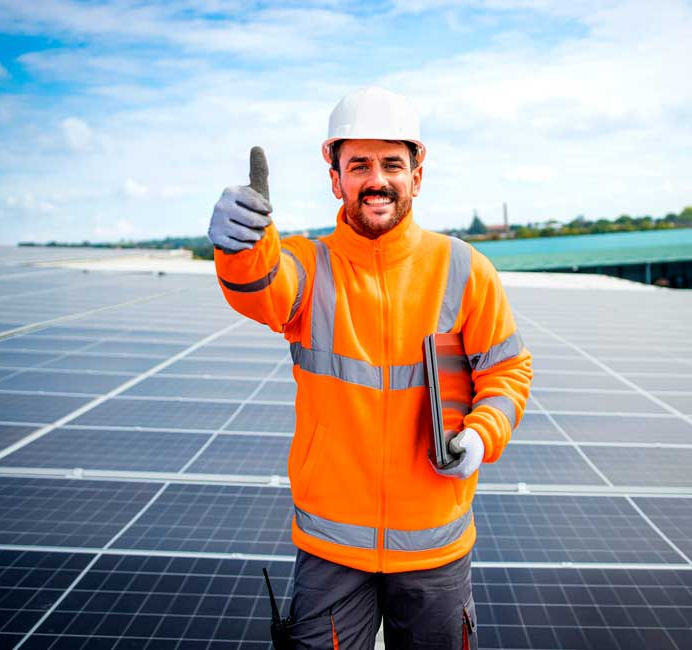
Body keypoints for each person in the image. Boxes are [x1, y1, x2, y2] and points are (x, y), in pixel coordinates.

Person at [208, 86, 532, 649]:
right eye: (358, 164)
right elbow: (258, 289)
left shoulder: (463, 268)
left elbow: (507, 371)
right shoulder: (309, 268)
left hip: (434, 544)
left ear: (417, 175)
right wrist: (243, 245)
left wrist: (480, 437)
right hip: (332, 546)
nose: (376, 179)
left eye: (392, 164)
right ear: (335, 178)